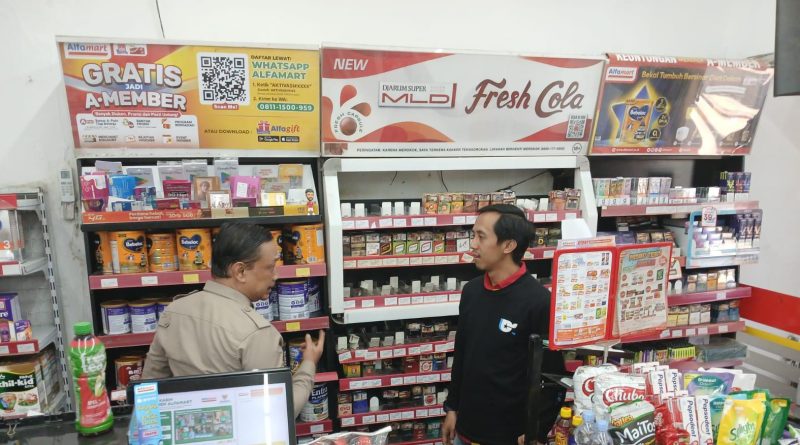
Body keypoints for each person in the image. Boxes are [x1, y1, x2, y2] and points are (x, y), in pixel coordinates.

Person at [142, 222, 324, 417]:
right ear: (240, 271)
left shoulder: (174, 311)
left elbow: (148, 391)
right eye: (270, 267)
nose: (275, 275)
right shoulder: (257, 333)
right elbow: (279, 413)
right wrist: (308, 365)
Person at [443, 204, 561, 445]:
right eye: (473, 235)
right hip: (465, 429)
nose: (473, 244)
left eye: (481, 236)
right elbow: (462, 352)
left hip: (508, 436)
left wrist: (536, 430)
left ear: (508, 245)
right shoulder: (471, 291)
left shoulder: (539, 301)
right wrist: (452, 407)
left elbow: (553, 376)